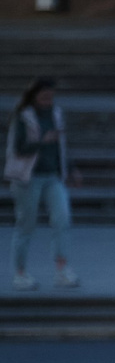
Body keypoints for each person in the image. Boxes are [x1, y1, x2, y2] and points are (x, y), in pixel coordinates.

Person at [9, 78, 76, 290]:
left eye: (51, 95)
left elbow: (61, 146)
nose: (48, 99)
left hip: (52, 176)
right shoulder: (23, 116)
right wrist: (42, 141)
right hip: (28, 178)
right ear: (34, 95)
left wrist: (71, 168)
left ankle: (62, 270)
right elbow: (18, 148)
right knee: (26, 225)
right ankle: (20, 273)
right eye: (44, 95)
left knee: (62, 219)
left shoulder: (56, 113)